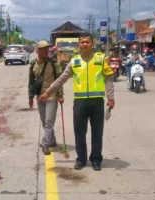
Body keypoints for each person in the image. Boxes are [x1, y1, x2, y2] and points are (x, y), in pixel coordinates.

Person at [38, 32, 115, 171]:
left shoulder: (101, 59)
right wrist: (47, 92)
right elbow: (61, 79)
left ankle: (96, 159)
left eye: (87, 42)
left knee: (97, 132)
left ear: (92, 44)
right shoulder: (74, 62)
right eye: (82, 42)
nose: (85, 44)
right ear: (79, 44)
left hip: (97, 102)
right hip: (80, 103)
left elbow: (109, 78)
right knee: (79, 132)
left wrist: (111, 98)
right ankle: (81, 159)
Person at [28, 40, 64, 155]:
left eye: (47, 48)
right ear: (37, 50)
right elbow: (31, 82)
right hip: (40, 97)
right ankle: (52, 140)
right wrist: (30, 97)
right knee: (44, 122)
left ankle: (46, 144)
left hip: (52, 96)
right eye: (43, 49)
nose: (46, 51)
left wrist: (60, 95)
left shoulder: (53, 62)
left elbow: (59, 80)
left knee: (49, 121)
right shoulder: (33, 63)